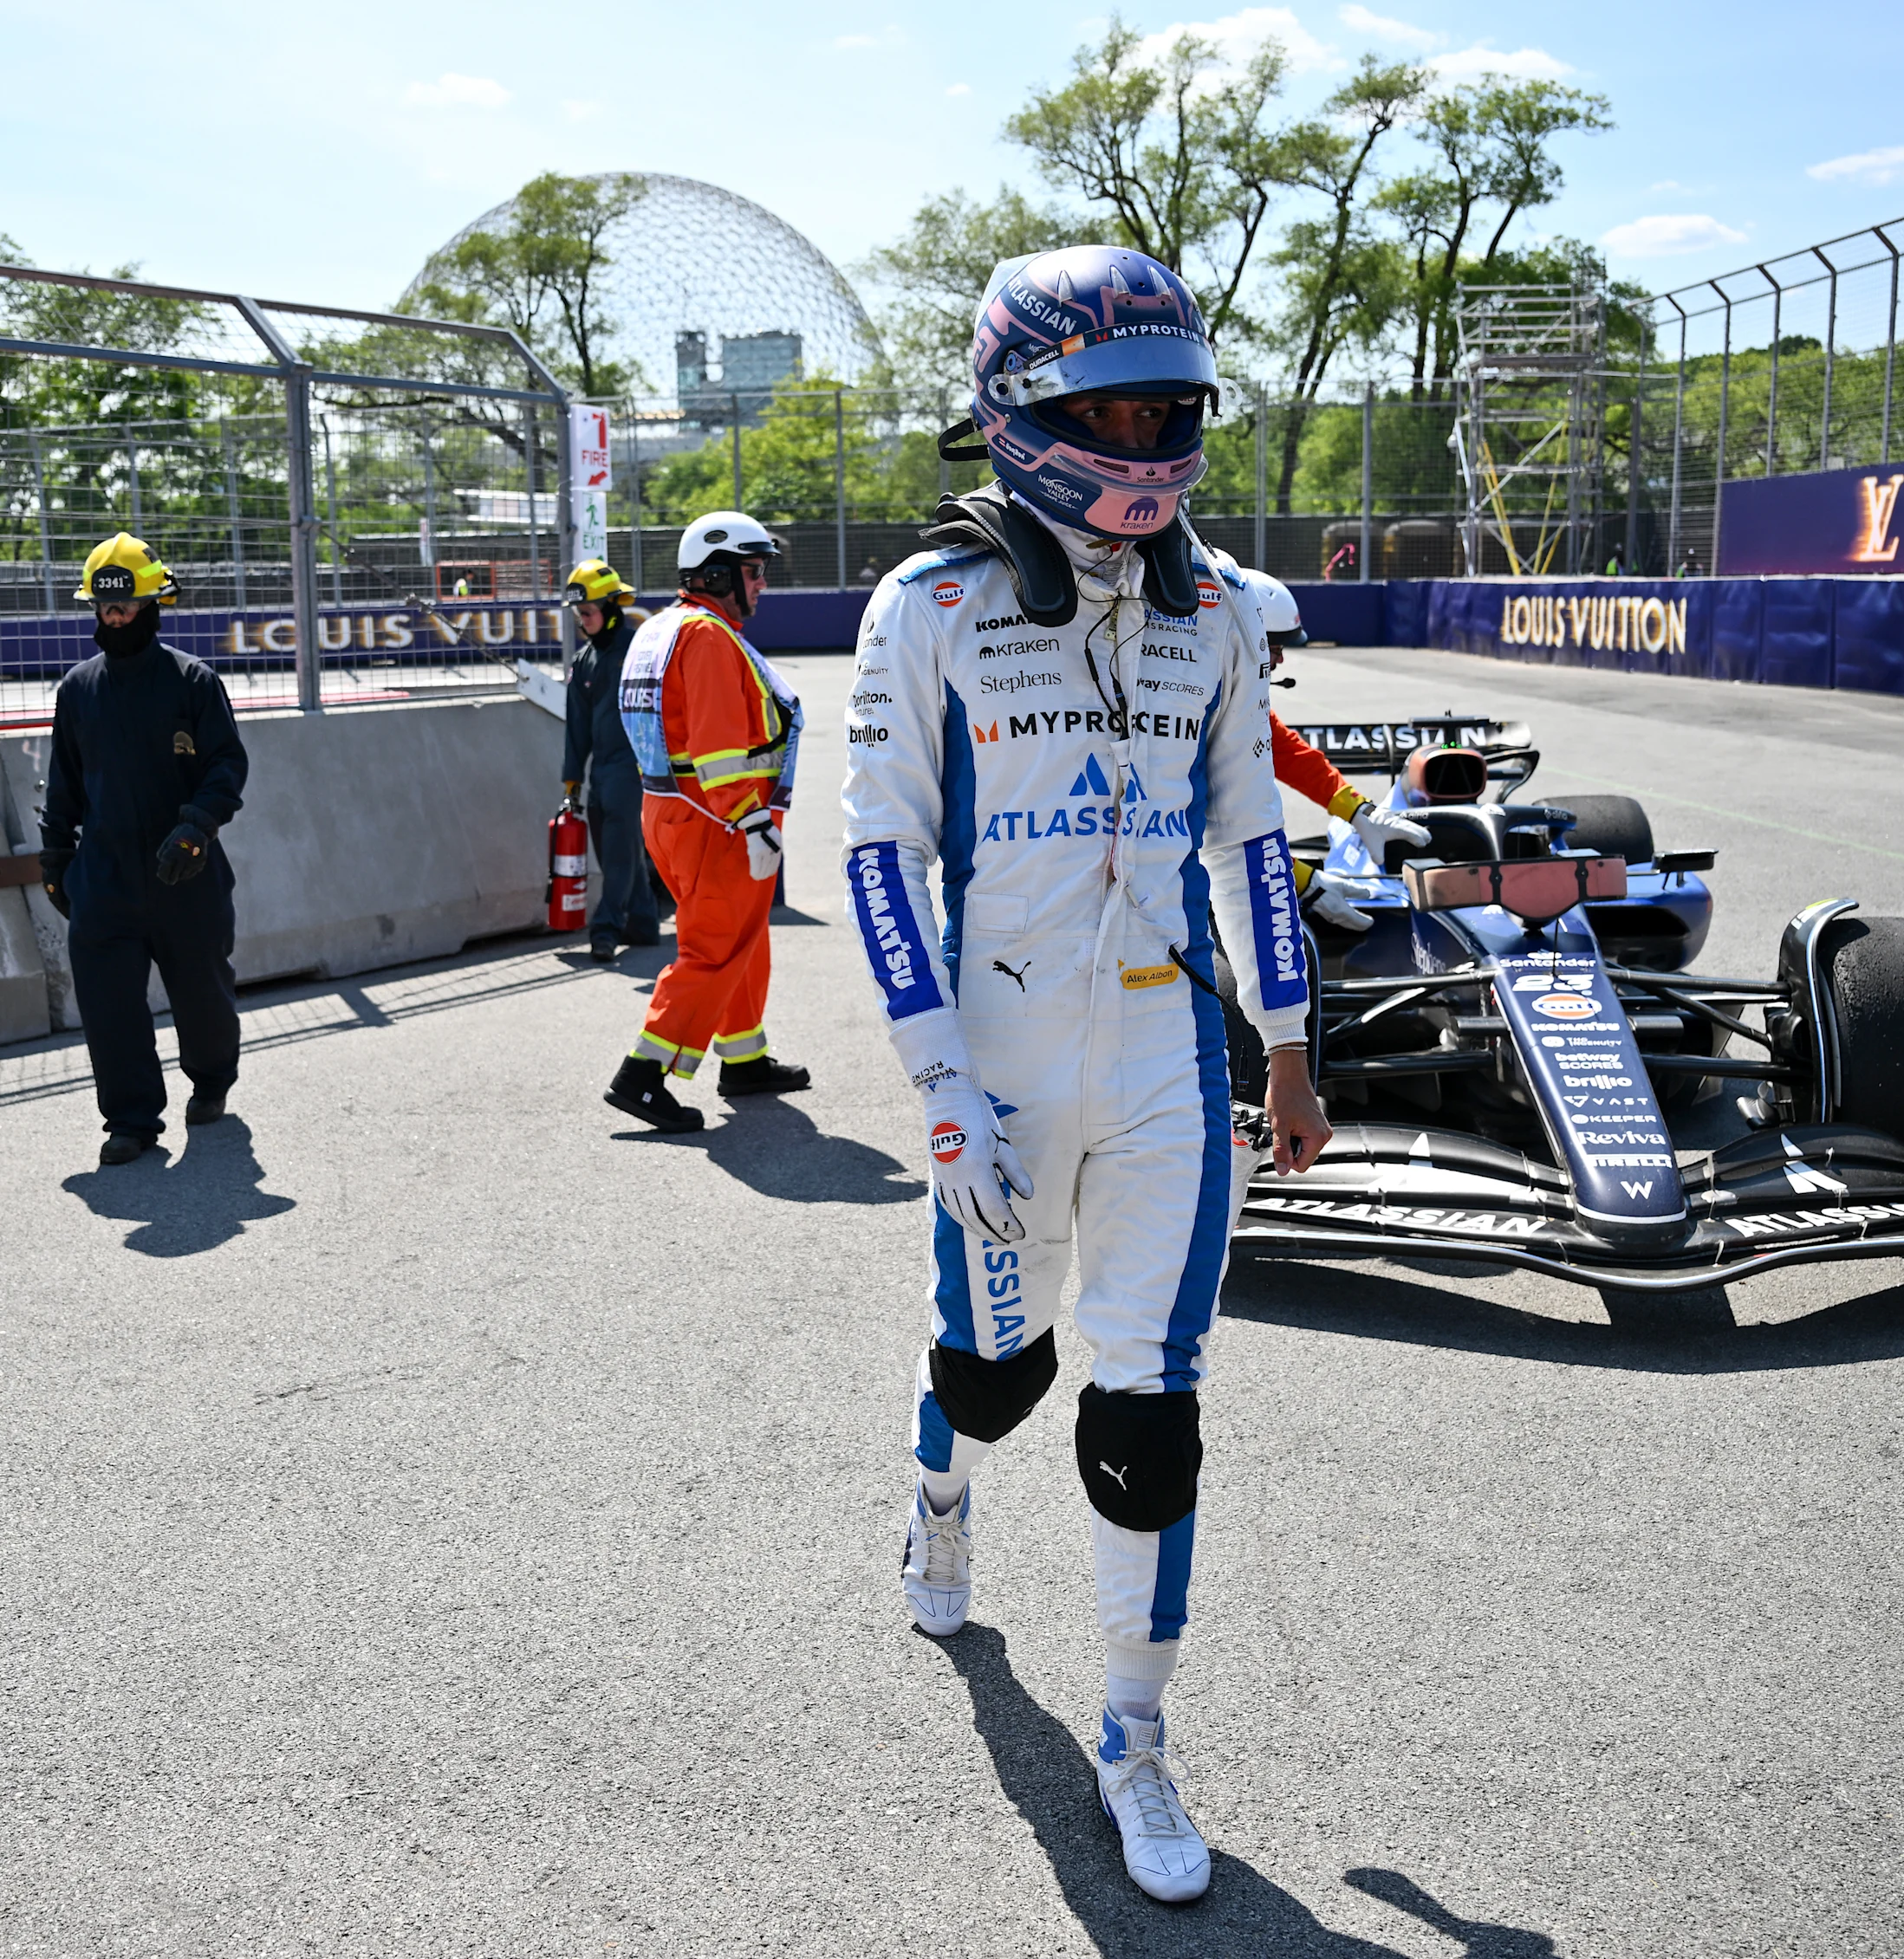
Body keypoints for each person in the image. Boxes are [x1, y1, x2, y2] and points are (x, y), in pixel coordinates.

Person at [841, 245, 1333, 1905]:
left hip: (1165, 1066)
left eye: (1169, 404)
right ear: (1019, 407)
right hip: (994, 1069)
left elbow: (1254, 835)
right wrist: (934, 1078)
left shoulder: (1214, 610)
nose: (1143, 433)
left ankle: (1134, 1735)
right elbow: (877, 854)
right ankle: (939, 1491)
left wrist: (1287, 1044)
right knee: (997, 1369)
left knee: (1150, 1405)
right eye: (1106, 405)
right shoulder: (928, 605)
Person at [38, 534, 250, 1166]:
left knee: (204, 998)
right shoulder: (78, 691)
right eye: (105, 609)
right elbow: (64, 782)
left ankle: (211, 1080)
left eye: (126, 607)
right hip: (105, 876)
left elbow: (226, 765)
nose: (115, 618)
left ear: (154, 603)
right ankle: (130, 1120)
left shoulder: (193, 681)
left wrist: (195, 828)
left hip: (185, 871)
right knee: (109, 1004)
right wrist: (56, 858)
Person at [602, 509, 811, 1132]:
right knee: (713, 949)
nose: (763, 583)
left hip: (675, 811)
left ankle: (743, 1058)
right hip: (716, 818)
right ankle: (641, 1075)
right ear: (719, 574)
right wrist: (750, 821)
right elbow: (719, 747)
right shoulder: (710, 639)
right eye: (753, 570)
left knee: (743, 935)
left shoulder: (665, 627)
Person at [1215, 561, 1430, 929]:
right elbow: (1222, 826)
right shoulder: (1189, 711)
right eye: (1276, 647)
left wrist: (1359, 810)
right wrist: (1301, 880)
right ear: (1243, 639)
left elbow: (1287, 751)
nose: (1281, 660)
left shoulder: (1228, 694)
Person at [556, 559, 661, 964]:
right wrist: (572, 781)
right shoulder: (585, 661)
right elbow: (576, 728)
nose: (582, 622)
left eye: (588, 613)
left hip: (634, 770)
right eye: (579, 615)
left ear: (612, 607)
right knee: (615, 847)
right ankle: (644, 922)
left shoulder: (639, 653)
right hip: (602, 772)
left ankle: (605, 931)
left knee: (618, 850)